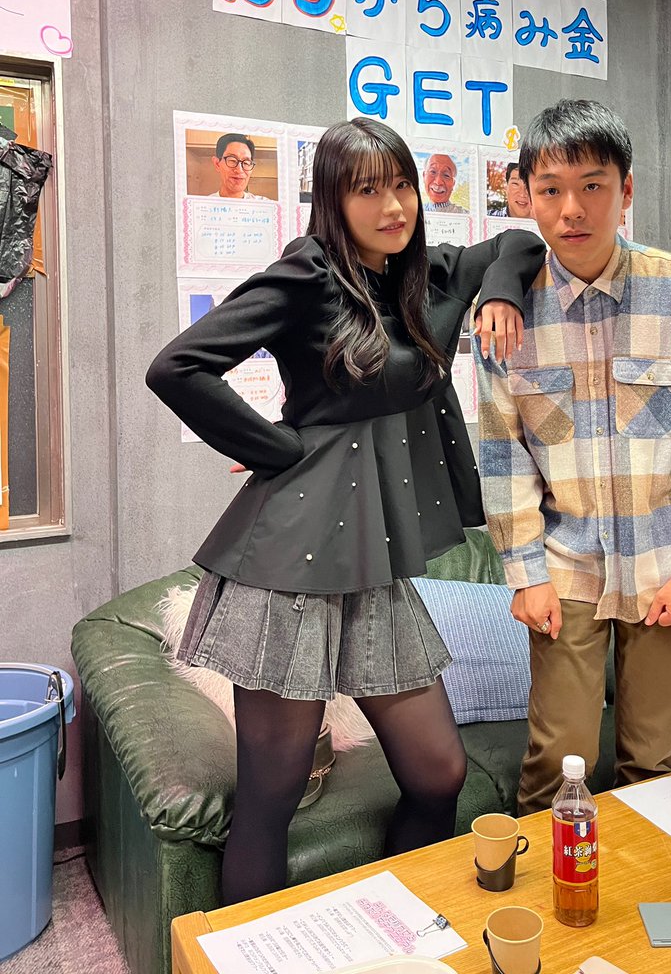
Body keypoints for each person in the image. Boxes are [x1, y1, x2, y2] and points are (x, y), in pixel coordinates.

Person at [147, 118, 545, 904]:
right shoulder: (308, 274)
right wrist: (278, 450)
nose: (393, 206)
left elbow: (518, 242)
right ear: (333, 199)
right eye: (368, 190)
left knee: (439, 772)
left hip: (372, 563)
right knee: (271, 799)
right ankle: (253, 952)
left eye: (401, 186)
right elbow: (178, 367)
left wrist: (499, 291)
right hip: (290, 563)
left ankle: (390, 923)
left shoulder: (426, 276)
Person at [474, 99, 671, 815]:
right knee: (557, 767)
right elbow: (503, 453)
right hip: (565, 571)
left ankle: (645, 887)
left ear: (627, 191)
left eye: (593, 185)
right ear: (526, 195)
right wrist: (524, 574)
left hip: (663, 566)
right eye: (551, 189)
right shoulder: (505, 313)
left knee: (658, 763)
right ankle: (551, 883)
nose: (573, 209)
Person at [207, 132, 267, 200]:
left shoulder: (264, 204)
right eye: (232, 160)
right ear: (217, 164)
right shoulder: (203, 204)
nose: (239, 170)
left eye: (246, 163)